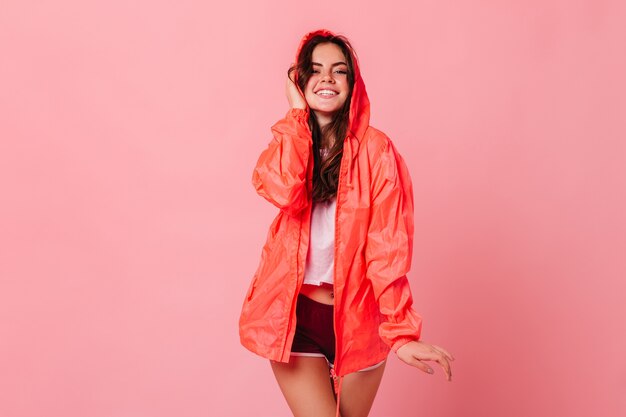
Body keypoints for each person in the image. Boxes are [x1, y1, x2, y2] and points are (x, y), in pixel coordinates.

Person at [239, 29, 454, 417]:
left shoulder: (377, 150)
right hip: (298, 317)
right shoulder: (288, 142)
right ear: (300, 80)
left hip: (362, 321)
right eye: (316, 70)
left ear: (353, 85)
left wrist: (401, 332)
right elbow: (283, 190)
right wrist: (296, 117)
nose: (327, 79)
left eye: (339, 71)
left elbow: (388, 246)